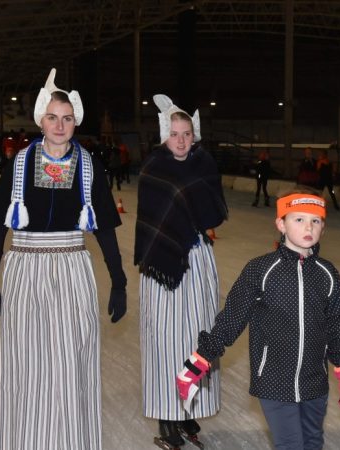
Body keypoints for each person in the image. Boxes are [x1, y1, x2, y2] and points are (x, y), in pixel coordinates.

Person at [0, 68, 127, 450]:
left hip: (72, 268)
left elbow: (105, 229)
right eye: (52, 117)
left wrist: (119, 281)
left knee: (71, 362)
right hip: (26, 269)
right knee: (28, 363)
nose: (60, 126)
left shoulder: (89, 166)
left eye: (67, 118)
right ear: (40, 121)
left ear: (76, 121)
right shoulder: (20, 163)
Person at [177, 190, 340, 450]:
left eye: (315, 221)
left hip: (315, 380)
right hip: (274, 380)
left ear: (323, 227)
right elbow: (231, 319)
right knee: (291, 445)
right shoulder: (261, 270)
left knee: (313, 441)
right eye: (299, 219)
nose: (308, 227)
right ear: (281, 224)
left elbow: (337, 327)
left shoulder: (327, 274)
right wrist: (199, 362)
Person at [134, 94, 228, 450]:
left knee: (196, 336)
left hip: (197, 259)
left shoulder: (204, 166)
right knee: (165, 340)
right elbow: (152, 221)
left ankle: (189, 406)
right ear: (164, 135)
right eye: (174, 134)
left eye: (187, 133)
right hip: (163, 266)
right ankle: (167, 414)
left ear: (195, 134)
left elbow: (214, 214)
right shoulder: (153, 169)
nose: (181, 140)